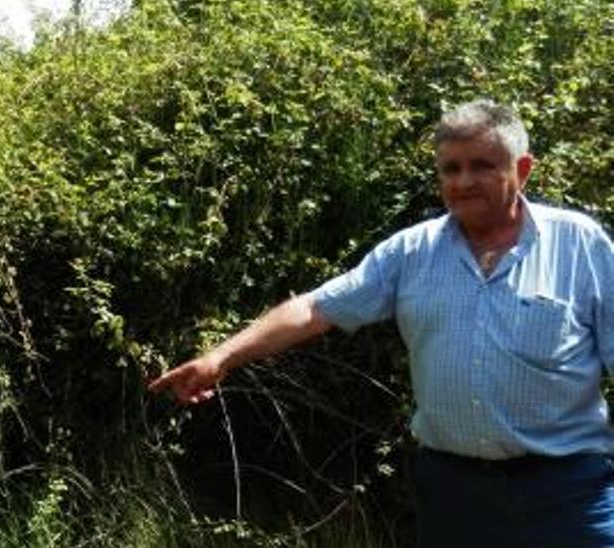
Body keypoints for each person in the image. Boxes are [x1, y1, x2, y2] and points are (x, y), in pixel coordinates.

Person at [148, 99, 614, 547]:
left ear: (523, 168)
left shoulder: (579, 244)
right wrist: (221, 356)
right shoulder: (411, 252)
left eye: (482, 166)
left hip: (570, 491)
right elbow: (315, 308)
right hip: (456, 493)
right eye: (450, 168)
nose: (463, 181)